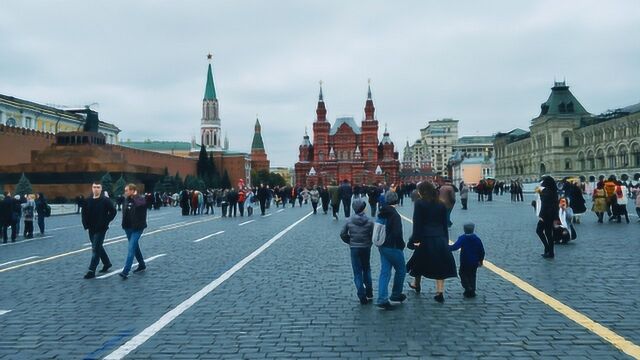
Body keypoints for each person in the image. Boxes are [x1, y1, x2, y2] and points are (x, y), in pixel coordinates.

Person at [406, 181, 457, 303]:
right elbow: (444, 224)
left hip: (425, 238)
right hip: (439, 238)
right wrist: (445, 239)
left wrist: (415, 240)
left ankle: (416, 284)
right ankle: (439, 292)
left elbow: (417, 223)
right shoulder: (441, 204)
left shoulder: (419, 203)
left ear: (422, 191)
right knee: (439, 264)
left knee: (419, 261)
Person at [376, 191, 407, 309]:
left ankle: (382, 298)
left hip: (382, 246)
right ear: (396, 200)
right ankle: (396, 294)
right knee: (401, 270)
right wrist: (401, 245)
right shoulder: (394, 215)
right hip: (393, 246)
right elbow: (397, 233)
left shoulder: (381, 212)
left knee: (385, 272)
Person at [340, 199, 374, 304]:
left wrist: (350, 241)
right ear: (363, 208)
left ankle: (361, 294)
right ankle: (369, 292)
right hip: (366, 247)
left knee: (357, 272)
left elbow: (342, 234)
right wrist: (369, 242)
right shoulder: (369, 221)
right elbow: (373, 235)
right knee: (367, 269)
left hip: (354, 248)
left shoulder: (349, 220)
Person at [81, 181, 117, 279]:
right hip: (91, 228)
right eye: (94, 187)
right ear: (92, 188)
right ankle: (107, 263)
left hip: (101, 228)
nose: (96, 189)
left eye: (98, 187)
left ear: (101, 189)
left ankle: (91, 270)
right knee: (98, 246)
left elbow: (113, 211)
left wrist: (106, 221)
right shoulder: (88, 200)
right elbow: (83, 213)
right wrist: (85, 225)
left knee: (95, 249)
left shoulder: (105, 200)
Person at [119, 184, 148, 279]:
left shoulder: (140, 199)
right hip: (128, 228)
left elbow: (140, 204)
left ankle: (125, 271)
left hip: (137, 228)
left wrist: (135, 196)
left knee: (131, 248)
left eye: (127, 190)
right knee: (135, 247)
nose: (125, 192)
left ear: (133, 190)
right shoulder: (126, 199)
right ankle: (142, 264)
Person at [449, 223, 485, 298]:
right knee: (472, 275)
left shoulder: (462, 238)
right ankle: (473, 289)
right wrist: (480, 260)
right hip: (474, 261)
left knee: (462, 274)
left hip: (465, 261)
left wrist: (446, 247)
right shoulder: (477, 239)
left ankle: (467, 287)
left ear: (464, 230)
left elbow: (455, 247)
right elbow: (481, 251)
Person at [535, 176, 559, 258]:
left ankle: (547, 248)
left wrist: (541, 216)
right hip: (551, 215)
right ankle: (550, 251)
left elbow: (544, 205)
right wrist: (556, 217)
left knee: (539, 231)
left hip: (546, 215)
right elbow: (556, 206)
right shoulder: (554, 192)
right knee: (548, 233)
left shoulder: (546, 191)